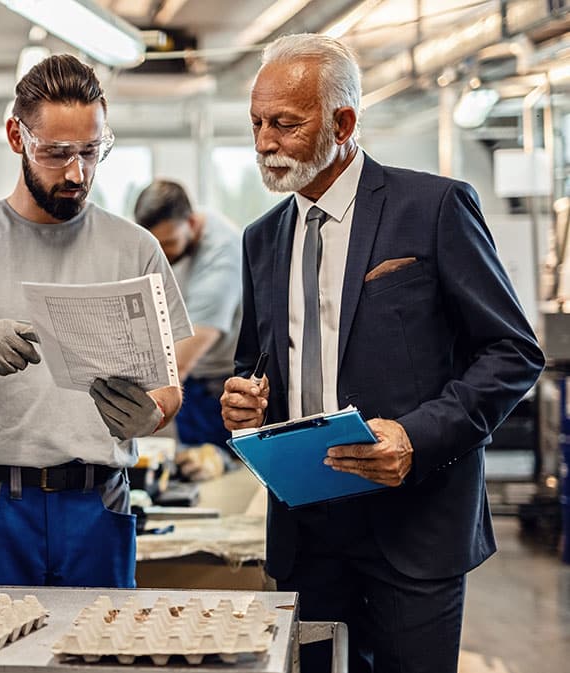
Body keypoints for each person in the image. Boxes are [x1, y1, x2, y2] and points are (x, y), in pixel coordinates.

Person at [220, 33, 544, 673]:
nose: (264, 143)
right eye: (257, 123)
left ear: (343, 123)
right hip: (306, 533)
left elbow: (512, 351)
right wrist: (244, 404)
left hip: (414, 524)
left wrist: (417, 436)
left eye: (285, 124)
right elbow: (255, 363)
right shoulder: (263, 239)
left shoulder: (433, 208)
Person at [0, 54, 192, 589]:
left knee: (99, 663)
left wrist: (153, 414)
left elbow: (168, 388)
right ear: (16, 136)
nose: (77, 173)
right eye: (57, 152)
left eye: (92, 152)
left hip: (97, 507)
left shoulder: (135, 249)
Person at [134, 179, 242, 481]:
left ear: (192, 223)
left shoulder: (221, 259)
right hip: (191, 381)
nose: (163, 254)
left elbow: (179, 362)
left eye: (168, 245)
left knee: (216, 475)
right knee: (189, 472)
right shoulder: (175, 228)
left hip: (221, 386)